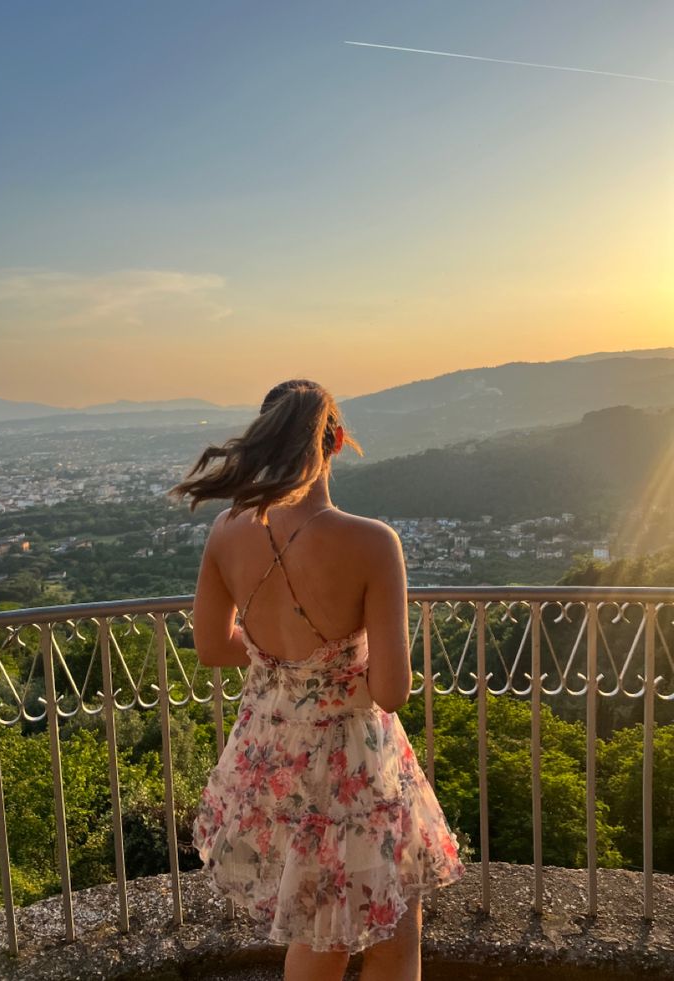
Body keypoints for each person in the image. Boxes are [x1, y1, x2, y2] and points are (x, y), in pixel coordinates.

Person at [168, 379, 466, 981]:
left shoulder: (227, 531)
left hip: (270, 755)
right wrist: (330, 677)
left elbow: (210, 647)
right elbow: (390, 691)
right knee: (393, 927)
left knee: (316, 923)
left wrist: (288, 674)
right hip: (352, 764)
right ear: (335, 442)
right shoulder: (370, 542)